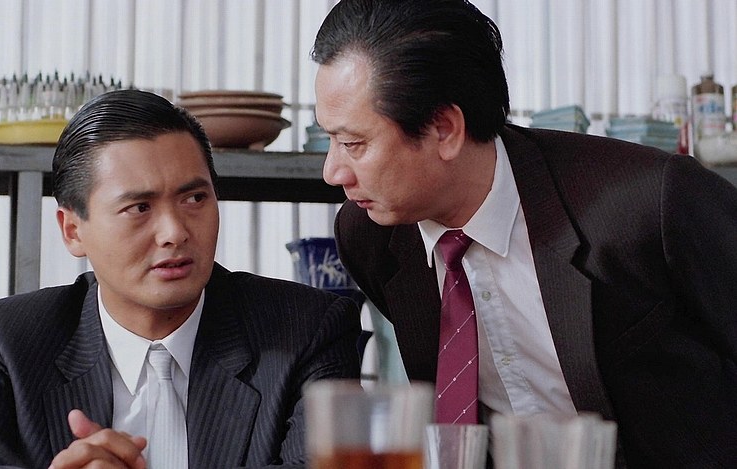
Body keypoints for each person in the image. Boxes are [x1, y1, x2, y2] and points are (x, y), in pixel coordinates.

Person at [311, 0, 737, 467]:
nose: (333, 172)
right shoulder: (370, 236)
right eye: (329, 139)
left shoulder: (650, 203)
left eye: (353, 143)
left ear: (444, 129)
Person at [0, 90, 362, 468]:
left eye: (195, 199)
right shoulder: (17, 336)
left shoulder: (306, 328)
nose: (175, 232)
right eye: (139, 208)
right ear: (73, 230)